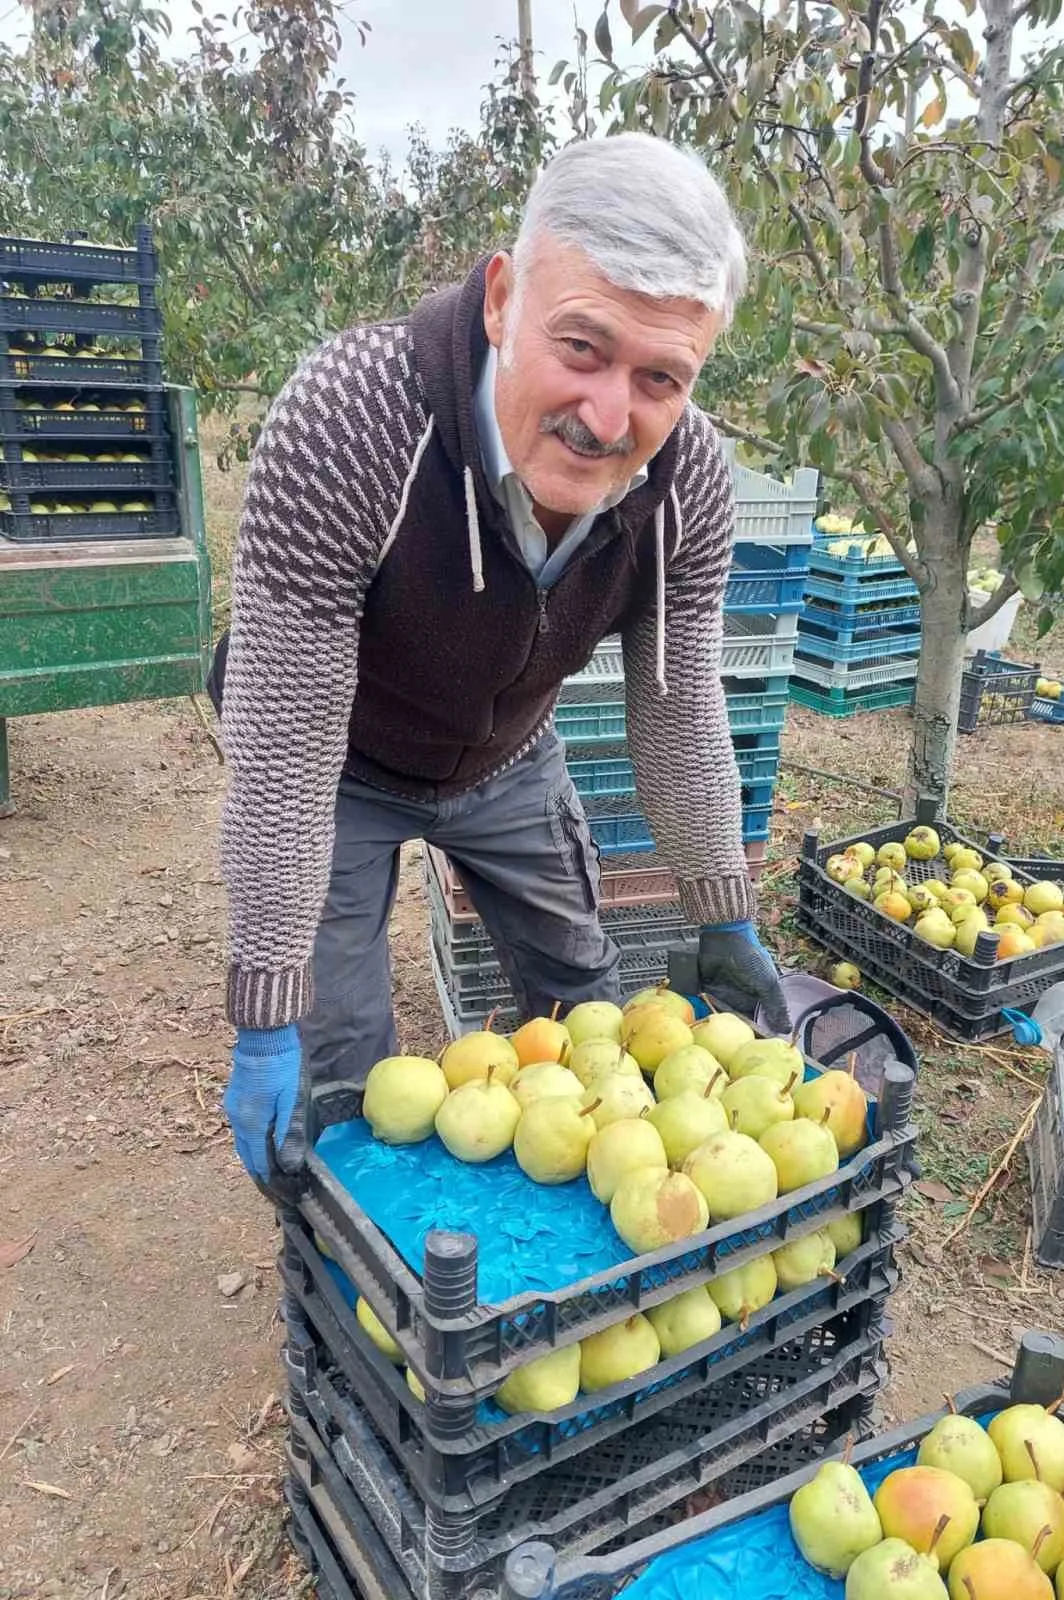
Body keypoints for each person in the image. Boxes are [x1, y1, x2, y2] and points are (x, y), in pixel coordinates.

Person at [211, 132, 790, 1199]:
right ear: (500, 301)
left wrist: (725, 909)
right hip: (337, 758)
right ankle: (358, 1283)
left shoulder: (689, 481)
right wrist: (262, 1009)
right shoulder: (350, 423)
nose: (611, 416)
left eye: (661, 376)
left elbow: (676, 702)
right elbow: (284, 744)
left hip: (506, 755)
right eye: (582, 347)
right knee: (342, 1067)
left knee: (586, 999)